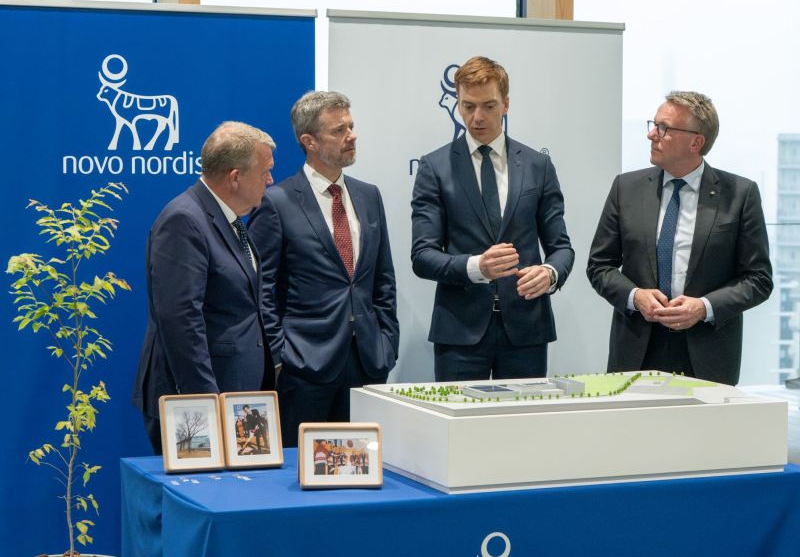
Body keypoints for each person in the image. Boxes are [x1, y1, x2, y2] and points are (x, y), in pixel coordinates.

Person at [586, 91, 773, 385]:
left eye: (664, 128)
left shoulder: (740, 194)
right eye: (653, 124)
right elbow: (599, 266)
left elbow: (759, 279)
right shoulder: (626, 188)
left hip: (707, 354)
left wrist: (704, 307)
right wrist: (635, 297)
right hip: (636, 349)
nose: (651, 134)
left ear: (696, 143)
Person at [248, 90, 400, 447]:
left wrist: (387, 343)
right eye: (339, 130)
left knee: (363, 471)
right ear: (309, 141)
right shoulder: (277, 201)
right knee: (301, 471)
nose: (352, 136)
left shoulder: (369, 195)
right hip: (304, 367)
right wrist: (280, 355)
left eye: (351, 126)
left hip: (367, 364)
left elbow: (383, 278)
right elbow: (259, 288)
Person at [411, 56, 574, 382]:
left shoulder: (538, 166)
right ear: (458, 104)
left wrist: (550, 273)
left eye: (488, 106)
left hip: (526, 329)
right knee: (457, 417)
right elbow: (422, 256)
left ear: (506, 104)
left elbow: (561, 248)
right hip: (459, 331)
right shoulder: (434, 167)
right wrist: (477, 267)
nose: (477, 117)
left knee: (524, 417)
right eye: (468, 106)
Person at [133, 121, 277, 454]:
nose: (270, 180)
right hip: (198, 403)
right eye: (265, 172)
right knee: (202, 487)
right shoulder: (184, 220)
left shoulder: (230, 218)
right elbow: (181, 322)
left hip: (237, 397)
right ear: (235, 177)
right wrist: (206, 406)